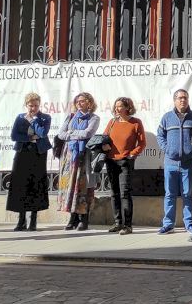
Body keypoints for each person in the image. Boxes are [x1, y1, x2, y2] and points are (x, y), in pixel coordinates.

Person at [157, 88, 192, 237]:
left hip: (188, 163)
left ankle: (190, 224)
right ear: (174, 100)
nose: (183, 100)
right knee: (170, 194)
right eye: (180, 98)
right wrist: (167, 149)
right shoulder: (167, 117)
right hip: (170, 163)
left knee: (188, 194)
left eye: (185, 98)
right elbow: (160, 135)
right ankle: (168, 224)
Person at [6, 92, 51, 232]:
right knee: (21, 184)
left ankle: (33, 220)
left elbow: (42, 133)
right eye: (31, 105)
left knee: (35, 184)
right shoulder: (20, 117)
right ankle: (21, 220)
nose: (33, 108)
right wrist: (30, 138)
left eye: (36, 105)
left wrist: (33, 120)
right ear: (26, 105)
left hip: (38, 154)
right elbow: (14, 136)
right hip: (22, 153)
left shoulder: (45, 118)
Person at [56, 92, 100, 231]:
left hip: (83, 155)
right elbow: (61, 134)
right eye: (77, 101)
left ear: (89, 102)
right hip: (69, 156)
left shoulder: (94, 118)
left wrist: (71, 134)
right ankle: (72, 218)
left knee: (83, 186)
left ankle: (83, 219)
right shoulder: (71, 117)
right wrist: (74, 135)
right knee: (70, 185)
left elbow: (88, 133)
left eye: (82, 101)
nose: (79, 103)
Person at [104, 97, 145, 235]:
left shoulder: (136, 122)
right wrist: (104, 146)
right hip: (110, 161)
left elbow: (142, 143)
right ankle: (117, 223)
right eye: (115, 106)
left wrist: (132, 154)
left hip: (125, 163)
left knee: (124, 193)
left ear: (128, 107)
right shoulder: (112, 122)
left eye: (120, 106)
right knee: (114, 193)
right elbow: (104, 138)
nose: (117, 108)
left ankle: (127, 226)